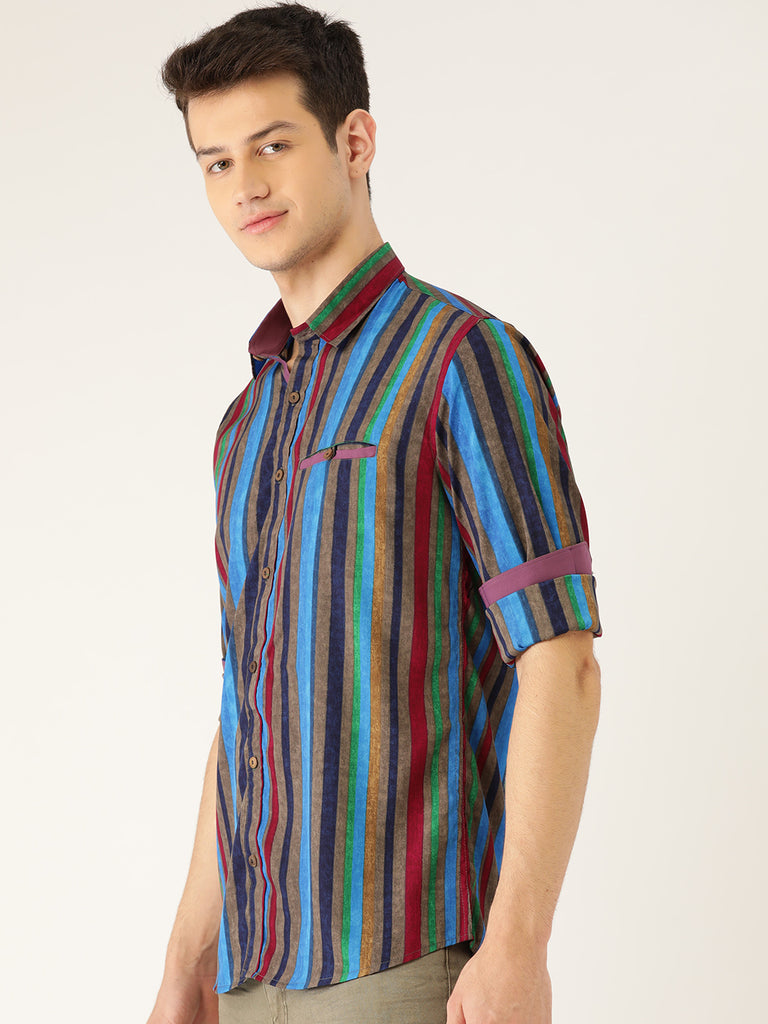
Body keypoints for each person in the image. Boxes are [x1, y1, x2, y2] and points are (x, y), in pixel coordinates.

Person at [148, 5, 602, 1023]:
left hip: (401, 961)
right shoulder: (245, 425)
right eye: (216, 161)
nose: (244, 184)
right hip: (250, 973)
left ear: (354, 140)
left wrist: (518, 944)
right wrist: (187, 957)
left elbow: (560, 658)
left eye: (272, 145)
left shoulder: (461, 359)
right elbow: (246, 708)